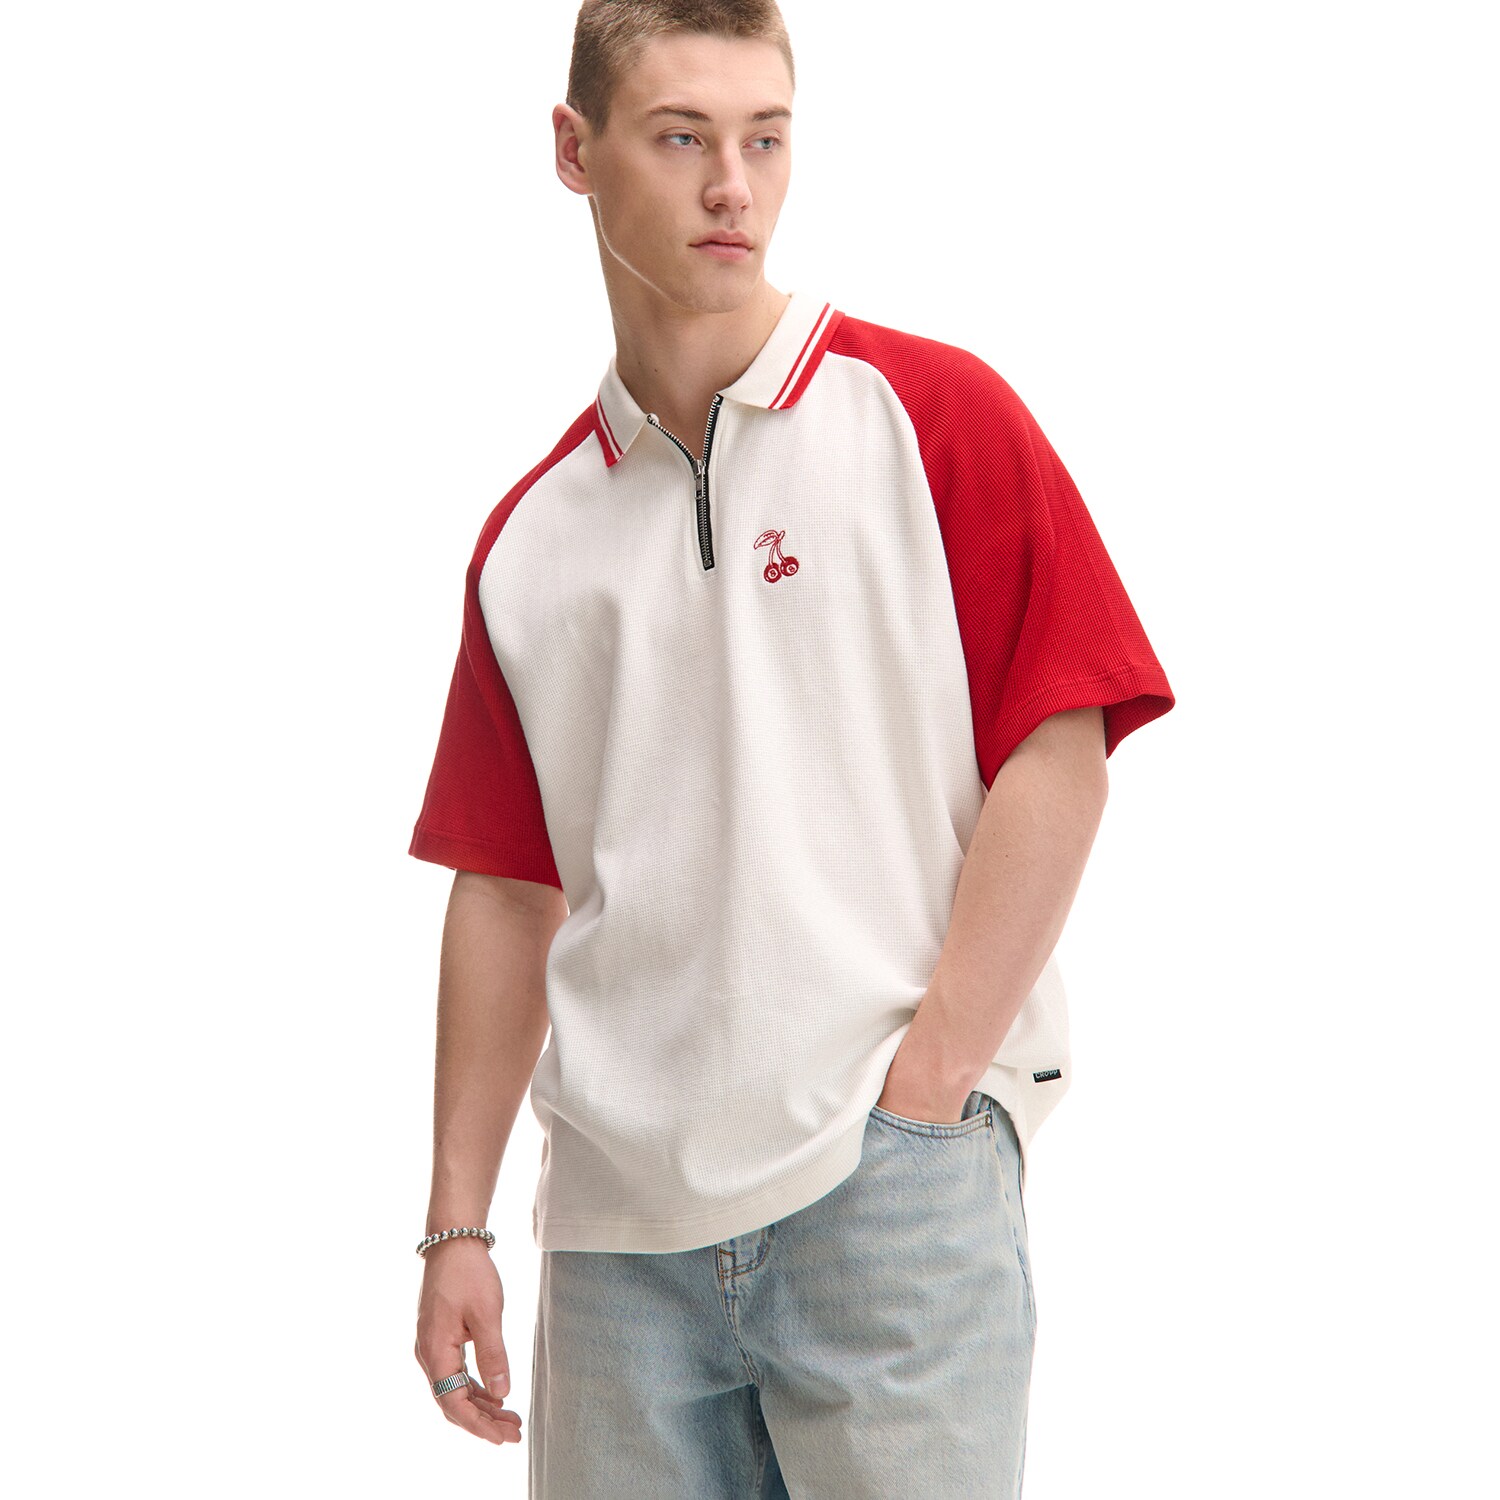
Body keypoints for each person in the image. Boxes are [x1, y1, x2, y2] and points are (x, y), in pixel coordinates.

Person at [408, 2, 1175, 1494]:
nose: (731, 186)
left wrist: (933, 1085)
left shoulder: (931, 416)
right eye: (681, 136)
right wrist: (457, 1226)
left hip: (887, 1191)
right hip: (616, 1248)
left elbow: (1062, 746)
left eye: (764, 139)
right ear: (574, 150)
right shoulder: (529, 541)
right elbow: (503, 890)